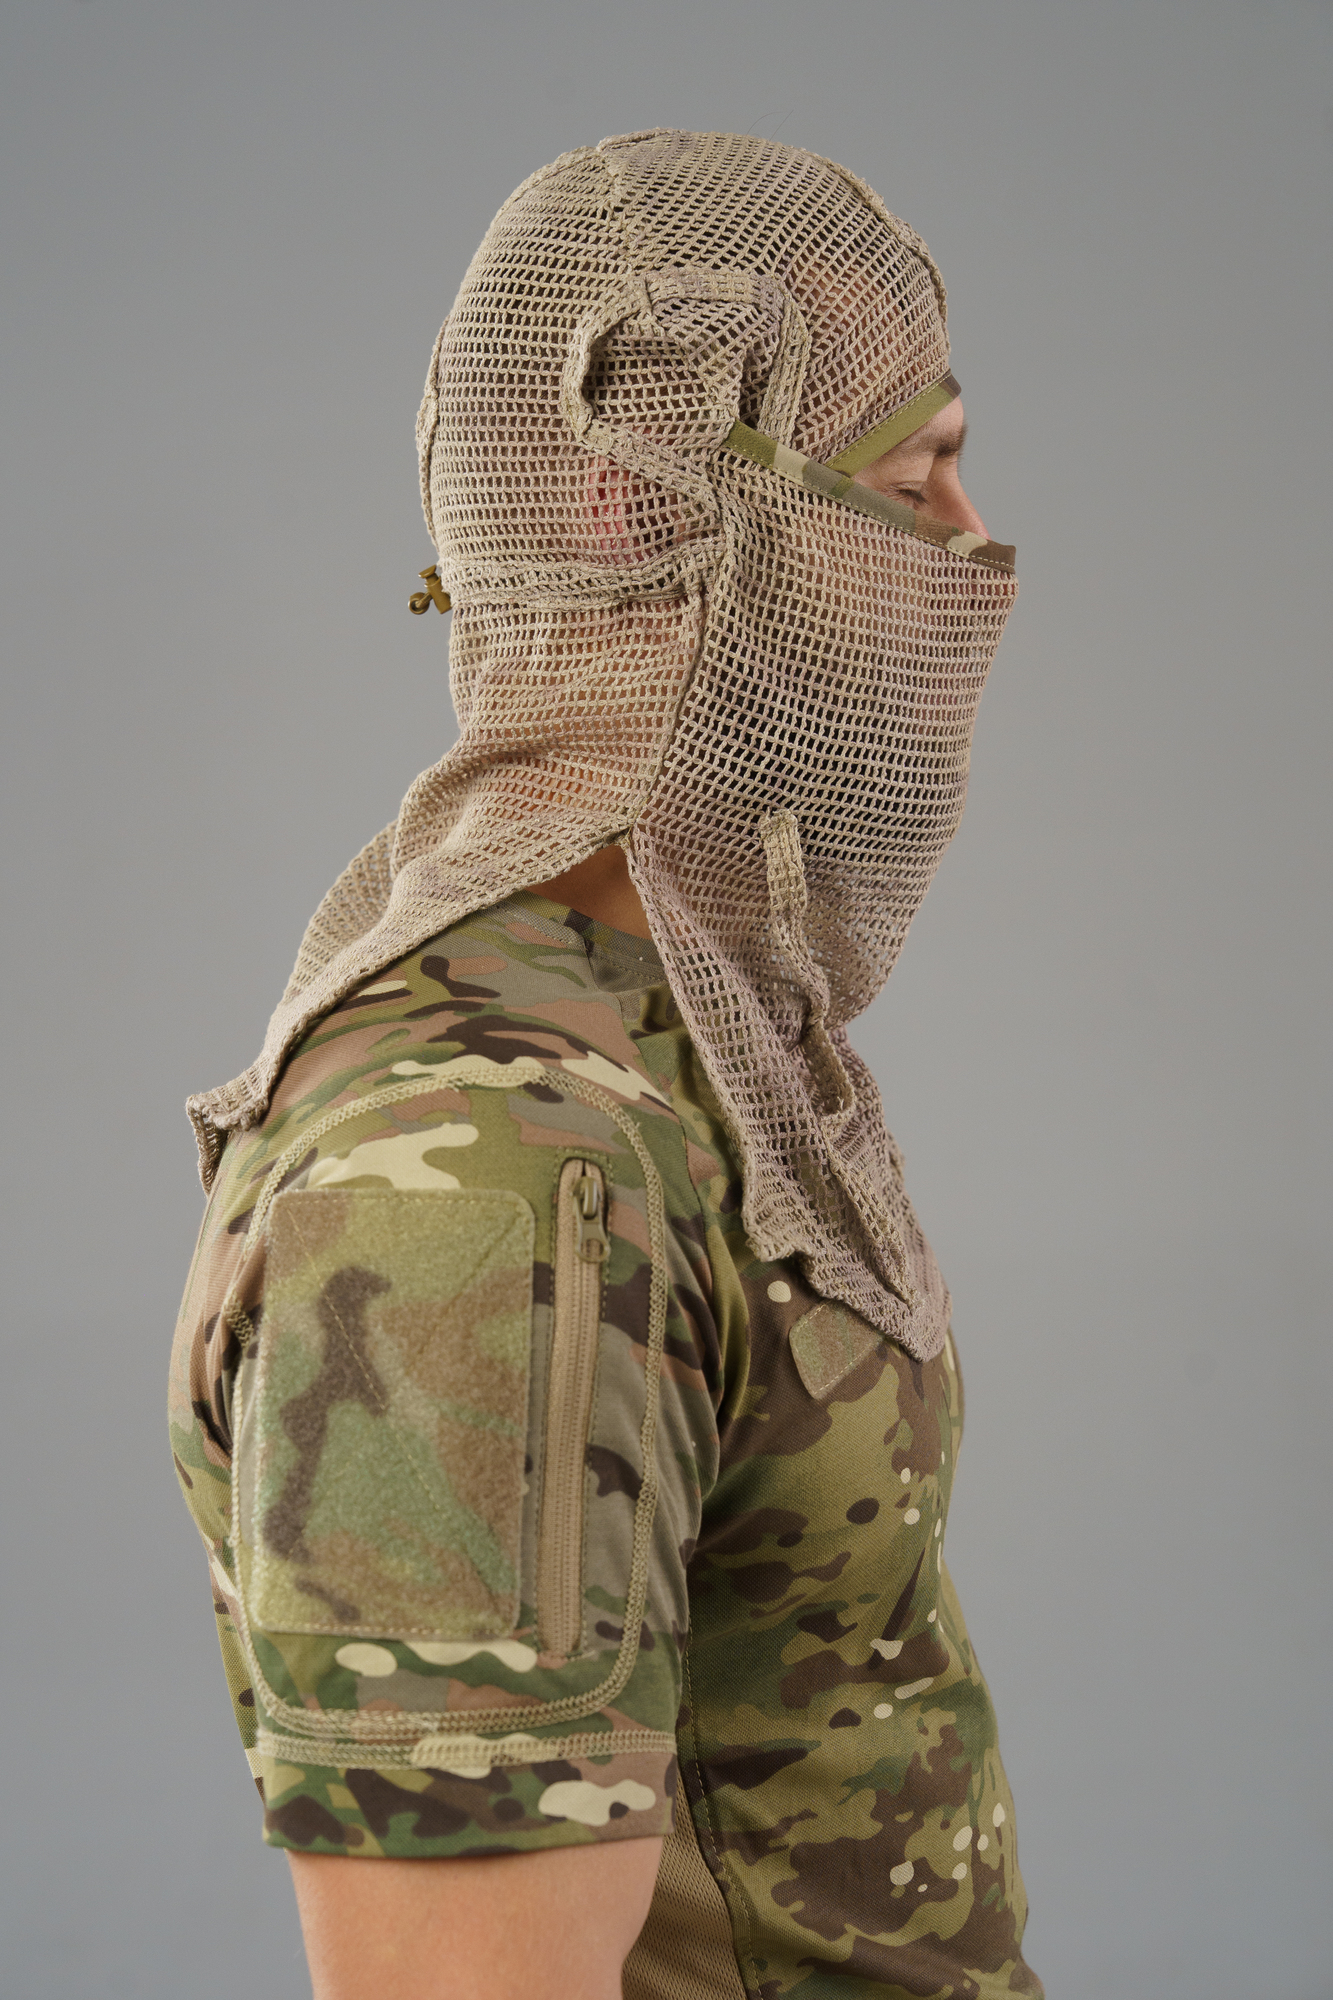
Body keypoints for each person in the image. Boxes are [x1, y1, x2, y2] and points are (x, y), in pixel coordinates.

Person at [169, 129, 1041, 1999]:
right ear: (650, 506)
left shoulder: (672, 1047)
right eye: (913, 479)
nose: (977, 554)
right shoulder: (479, 1172)